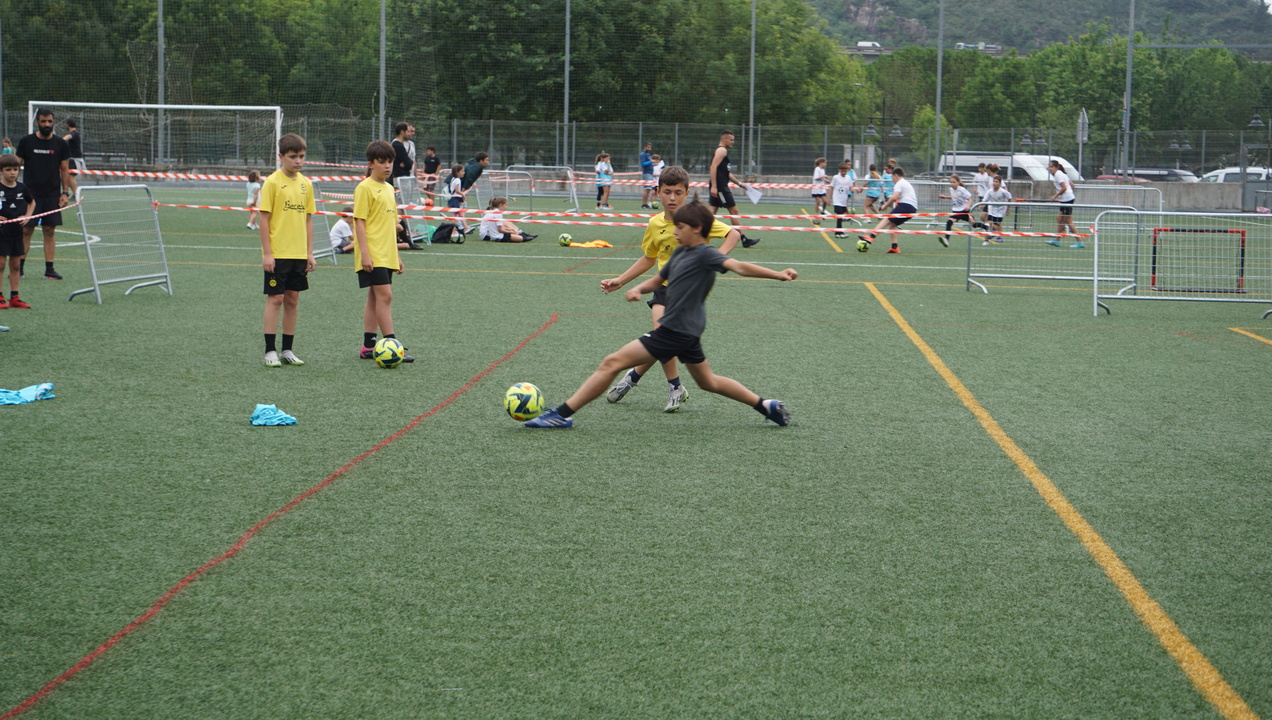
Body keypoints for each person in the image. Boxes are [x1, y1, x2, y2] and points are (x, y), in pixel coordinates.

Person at [525, 197, 796, 429]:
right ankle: (766, 406)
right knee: (708, 382)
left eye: (681, 227)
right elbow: (658, 280)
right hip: (686, 333)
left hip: (674, 331)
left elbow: (739, 267)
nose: (675, 231)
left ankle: (561, 415)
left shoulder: (705, 254)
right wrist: (637, 288)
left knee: (611, 363)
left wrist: (778, 275)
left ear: (697, 229)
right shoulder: (680, 253)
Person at [600, 166, 742, 412]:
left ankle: (642, 379)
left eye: (678, 192)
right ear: (658, 193)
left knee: (662, 339)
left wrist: (714, 259)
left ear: (687, 193)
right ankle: (667, 385)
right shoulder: (654, 223)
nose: (672, 198)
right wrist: (621, 280)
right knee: (661, 336)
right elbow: (649, 258)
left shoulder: (697, 220)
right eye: (667, 192)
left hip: (690, 292)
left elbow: (734, 234)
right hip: (664, 287)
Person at [257, 133, 316, 368]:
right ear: (281, 157)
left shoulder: (306, 184)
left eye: (301, 156)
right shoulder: (272, 182)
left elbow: (308, 219)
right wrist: (267, 253)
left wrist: (309, 252)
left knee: (293, 300)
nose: (298, 161)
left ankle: (287, 350)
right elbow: (263, 219)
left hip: (299, 253)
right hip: (278, 253)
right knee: (276, 299)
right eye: (293, 156)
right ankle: (269, 351)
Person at [355, 140, 414, 364]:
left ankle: (368, 346)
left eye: (390, 161)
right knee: (385, 296)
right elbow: (359, 222)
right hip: (372, 252)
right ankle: (392, 344)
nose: (387, 166)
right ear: (371, 164)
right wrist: (365, 254)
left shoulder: (389, 189)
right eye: (382, 162)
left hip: (386, 253)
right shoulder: (364, 188)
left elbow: (390, 225)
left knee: (374, 297)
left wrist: (395, 255)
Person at [16, 108, 76, 281]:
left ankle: (49, 270)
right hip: (30, 196)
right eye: (43, 121)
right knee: (26, 230)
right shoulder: (26, 141)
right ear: (37, 122)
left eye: (50, 121)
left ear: (53, 122)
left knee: (49, 231)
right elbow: (15, 165)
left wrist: (65, 193)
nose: (47, 124)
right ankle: (18, 269)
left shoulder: (61, 144)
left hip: (52, 195)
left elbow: (65, 170)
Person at [708, 129, 760, 248]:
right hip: (720, 187)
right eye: (731, 140)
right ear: (724, 139)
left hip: (720, 186)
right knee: (734, 211)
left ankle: (697, 234)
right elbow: (713, 167)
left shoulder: (722, 152)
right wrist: (715, 186)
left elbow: (727, 173)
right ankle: (743, 238)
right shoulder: (722, 150)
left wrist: (740, 184)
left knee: (711, 213)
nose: (733, 142)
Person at [856, 165, 917, 254]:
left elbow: (894, 197)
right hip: (912, 208)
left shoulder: (899, 183)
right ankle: (894, 248)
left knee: (886, 219)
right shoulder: (905, 182)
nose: (892, 180)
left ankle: (871, 237)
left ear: (896, 176)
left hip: (906, 205)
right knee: (892, 225)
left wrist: (885, 205)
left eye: (892, 177)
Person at [0, 154, 34, 309]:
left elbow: (32, 202)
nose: (12, 173)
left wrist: (27, 216)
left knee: (15, 265)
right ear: (1, 171)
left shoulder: (22, 188)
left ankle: (15, 297)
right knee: (1, 264)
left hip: (16, 231)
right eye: (8, 170)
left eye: (15, 169)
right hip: (1, 232)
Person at [1045, 159, 1080, 248]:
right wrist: (1069, 194)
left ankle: (1080, 242)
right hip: (1066, 199)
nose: (1050, 168)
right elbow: (1072, 185)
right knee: (1059, 219)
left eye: (1051, 166)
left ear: (1056, 167)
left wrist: (1055, 196)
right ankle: (1057, 241)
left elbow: (1064, 188)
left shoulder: (1058, 175)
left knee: (1068, 221)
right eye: (1049, 166)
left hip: (1067, 200)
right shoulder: (1061, 173)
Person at [937, 174, 973, 248]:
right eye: (951, 182)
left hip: (964, 210)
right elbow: (954, 197)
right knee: (949, 222)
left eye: (954, 182)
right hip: (956, 210)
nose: (952, 184)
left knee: (974, 224)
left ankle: (985, 227)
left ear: (958, 182)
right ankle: (946, 240)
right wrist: (945, 197)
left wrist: (968, 206)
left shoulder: (962, 190)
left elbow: (970, 199)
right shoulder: (951, 189)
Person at [979, 175, 1013, 245]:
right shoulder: (990, 191)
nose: (995, 183)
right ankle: (986, 241)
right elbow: (985, 199)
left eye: (996, 182)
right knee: (989, 225)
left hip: (1000, 211)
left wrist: (1008, 208)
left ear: (1000, 183)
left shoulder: (1003, 192)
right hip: (991, 210)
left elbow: (1009, 197)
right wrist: (982, 204)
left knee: (994, 228)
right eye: (994, 181)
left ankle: (993, 234)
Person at [829, 161, 856, 239]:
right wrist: (828, 198)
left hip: (844, 200)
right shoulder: (836, 177)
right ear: (839, 170)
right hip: (837, 200)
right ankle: (839, 232)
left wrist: (852, 189)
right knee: (840, 215)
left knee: (841, 216)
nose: (843, 172)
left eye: (845, 171)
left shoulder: (848, 178)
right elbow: (831, 187)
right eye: (842, 171)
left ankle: (839, 232)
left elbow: (851, 186)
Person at [447, 163, 473, 235]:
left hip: (455, 199)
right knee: (455, 217)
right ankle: (453, 231)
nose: (463, 172)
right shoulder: (457, 180)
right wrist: (463, 194)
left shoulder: (453, 179)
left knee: (460, 214)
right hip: (455, 200)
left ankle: (465, 227)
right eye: (462, 171)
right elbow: (457, 190)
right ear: (457, 172)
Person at [639, 142, 655, 209]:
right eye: (648, 147)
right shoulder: (643, 154)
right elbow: (643, 164)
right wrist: (651, 161)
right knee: (647, 189)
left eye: (650, 147)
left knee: (649, 189)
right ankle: (644, 204)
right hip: (647, 173)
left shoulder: (648, 154)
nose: (649, 148)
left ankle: (646, 204)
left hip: (650, 173)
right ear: (645, 147)